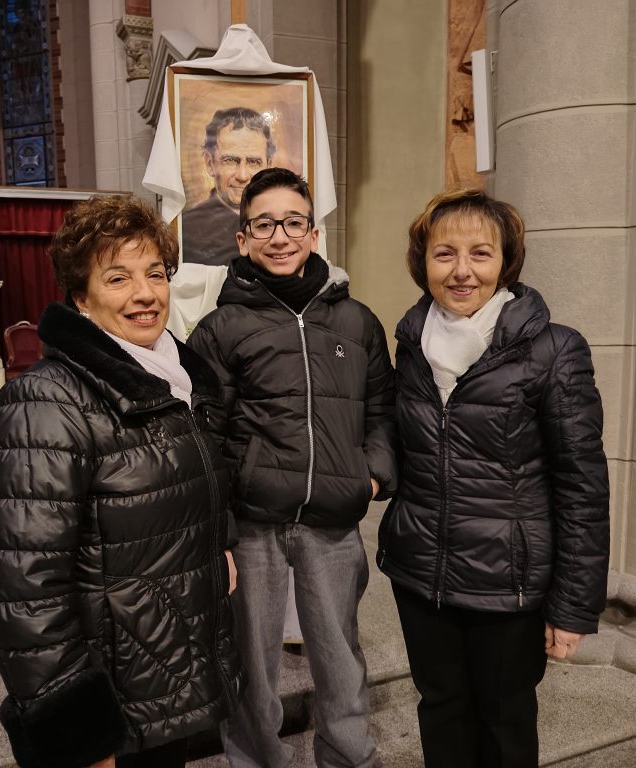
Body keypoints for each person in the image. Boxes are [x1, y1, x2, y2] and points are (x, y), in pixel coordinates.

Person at [0, 196, 243, 768]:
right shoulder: (47, 400)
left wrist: (219, 542)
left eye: (155, 274)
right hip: (110, 693)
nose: (145, 294)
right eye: (118, 278)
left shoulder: (175, 376)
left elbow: (196, 482)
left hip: (165, 665)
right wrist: (79, 733)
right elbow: (23, 583)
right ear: (81, 297)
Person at [377, 188, 610, 768]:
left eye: (480, 253)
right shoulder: (410, 345)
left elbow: (582, 486)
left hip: (509, 581)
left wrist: (573, 606)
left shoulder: (554, 349)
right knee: (440, 709)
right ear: (423, 262)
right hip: (421, 572)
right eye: (445, 254)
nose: (462, 271)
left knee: (504, 721)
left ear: (505, 262)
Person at [188, 167, 397, 768]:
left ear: (313, 233)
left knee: (339, 656)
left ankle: (349, 758)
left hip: (332, 520)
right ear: (243, 238)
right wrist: (222, 529)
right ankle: (257, 760)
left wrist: (370, 475)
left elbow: (382, 410)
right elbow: (205, 435)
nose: (280, 236)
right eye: (264, 224)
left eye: (293, 222)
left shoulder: (356, 322)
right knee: (252, 665)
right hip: (253, 523)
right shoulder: (220, 329)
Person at [181, 107, 276, 266]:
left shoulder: (287, 223)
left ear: (269, 165)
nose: (242, 176)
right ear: (210, 163)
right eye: (231, 161)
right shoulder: (186, 230)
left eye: (253, 162)